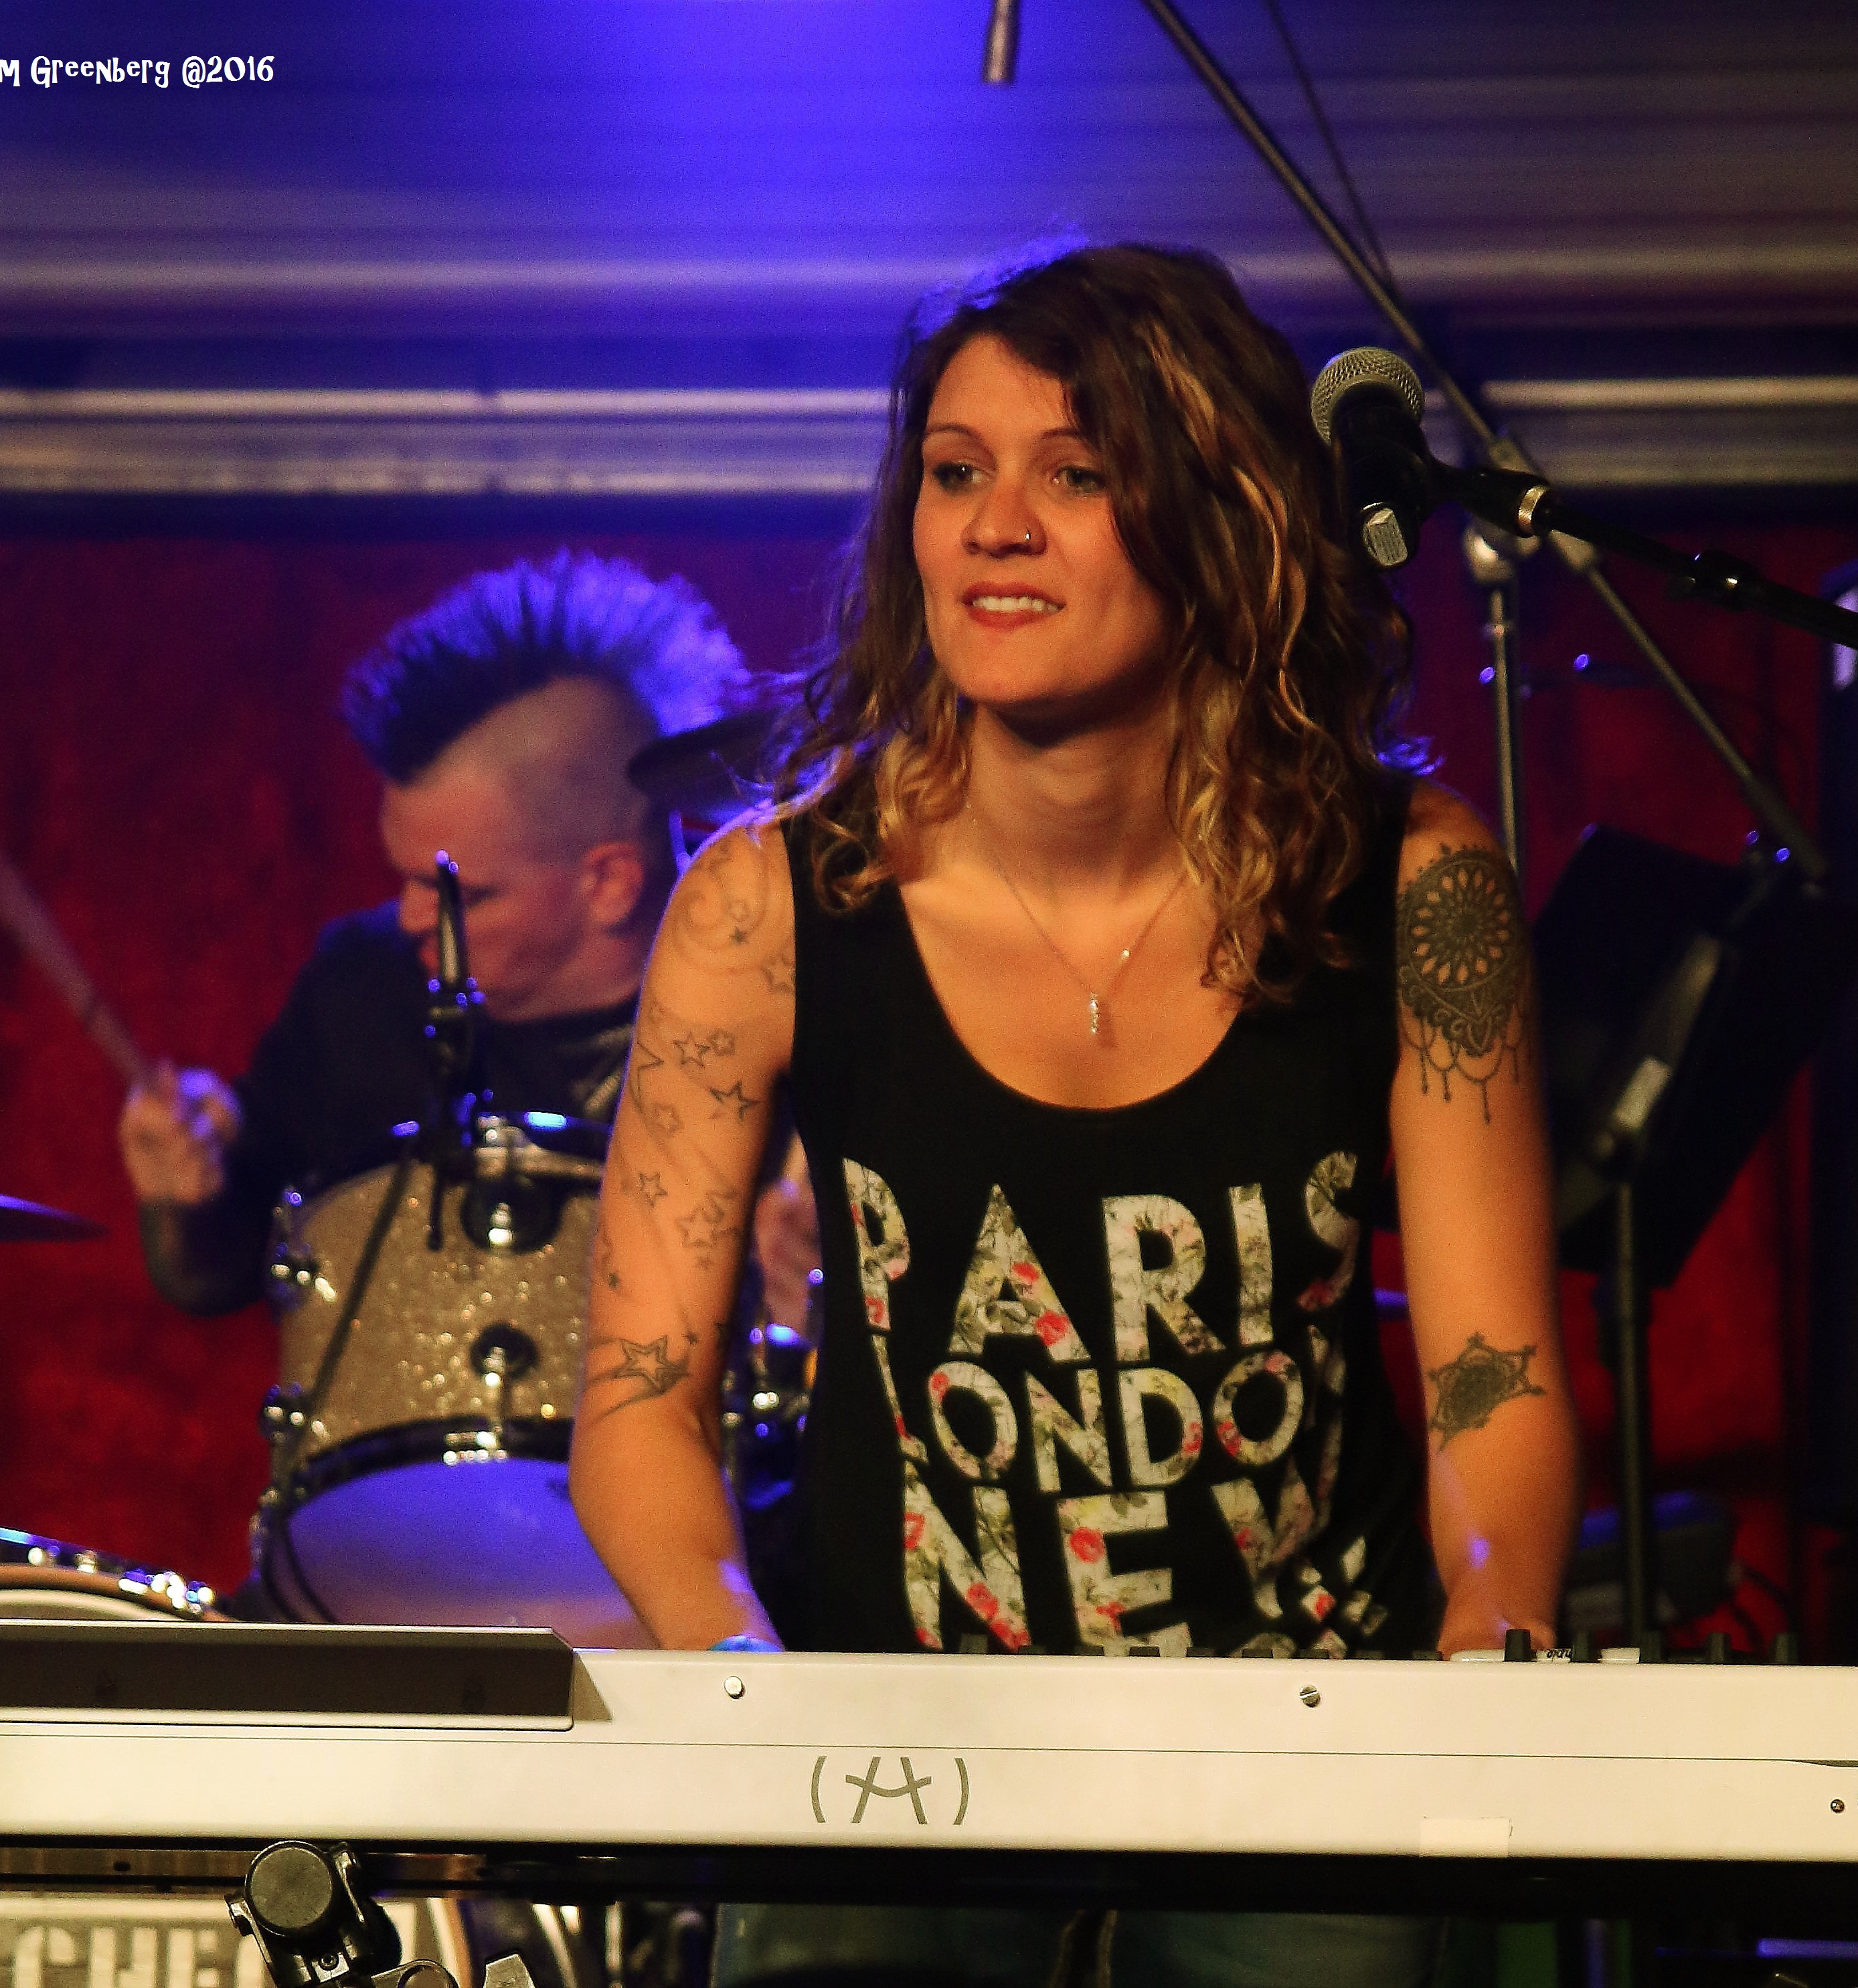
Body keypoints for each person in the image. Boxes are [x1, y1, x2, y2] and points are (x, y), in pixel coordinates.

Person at [568, 245, 1582, 1986]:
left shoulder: (1414, 885)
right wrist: (741, 1691)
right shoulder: (765, 905)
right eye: (955, 472)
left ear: (1227, 521)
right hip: (882, 1759)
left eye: (1077, 474)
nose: (995, 528)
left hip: (1307, 1754)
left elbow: (1493, 1374)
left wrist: (1491, 1652)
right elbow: (638, 1401)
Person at [117, 550, 751, 1316]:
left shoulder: (771, 1016)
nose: (410, 916)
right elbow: (215, 1277)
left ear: (609, 882)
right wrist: (185, 1192)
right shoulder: (362, 990)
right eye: (404, 875)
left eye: (455, 894)